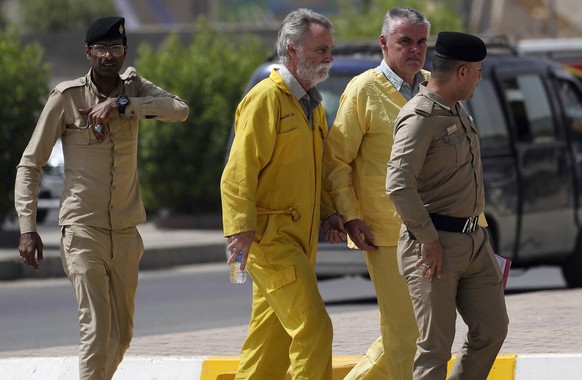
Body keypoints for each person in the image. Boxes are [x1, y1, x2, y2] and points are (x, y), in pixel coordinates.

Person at [14, 16, 189, 380]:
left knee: (121, 336)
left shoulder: (134, 87)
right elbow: (30, 164)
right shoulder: (67, 97)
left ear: (124, 51)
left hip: (126, 232)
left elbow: (179, 110)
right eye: (102, 49)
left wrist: (122, 105)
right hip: (82, 230)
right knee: (96, 328)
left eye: (116, 49)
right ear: (88, 52)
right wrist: (27, 228)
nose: (109, 56)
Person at [220, 8, 343, 380]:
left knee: (269, 341)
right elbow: (237, 171)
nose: (328, 58)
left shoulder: (312, 105)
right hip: (270, 240)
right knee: (314, 329)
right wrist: (239, 227)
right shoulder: (266, 99)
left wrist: (328, 214)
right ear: (292, 49)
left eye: (329, 49)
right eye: (320, 49)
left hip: (299, 241)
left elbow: (317, 171)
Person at [386, 31, 509, 379]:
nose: (480, 78)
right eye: (478, 70)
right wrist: (428, 239)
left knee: (492, 328)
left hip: (473, 241)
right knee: (435, 348)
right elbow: (398, 183)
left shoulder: (456, 109)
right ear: (462, 72)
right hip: (433, 246)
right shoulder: (420, 117)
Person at [322, 7, 430, 379]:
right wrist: (350, 216)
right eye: (405, 41)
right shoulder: (363, 90)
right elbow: (335, 160)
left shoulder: (434, 87)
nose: (415, 49)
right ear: (383, 43)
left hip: (434, 231)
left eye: (421, 42)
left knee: (420, 329)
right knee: (406, 331)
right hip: (384, 234)